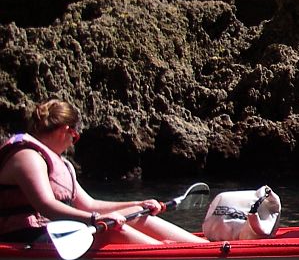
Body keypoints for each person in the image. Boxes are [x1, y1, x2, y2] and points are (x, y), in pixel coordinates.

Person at [0, 99, 206, 245]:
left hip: (57, 230)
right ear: (66, 130)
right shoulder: (27, 157)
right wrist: (93, 219)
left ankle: (200, 246)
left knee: (137, 217)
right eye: (75, 136)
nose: (73, 141)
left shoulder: (60, 162)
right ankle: (170, 254)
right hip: (24, 236)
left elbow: (90, 204)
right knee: (114, 229)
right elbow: (46, 206)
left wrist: (136, 205)